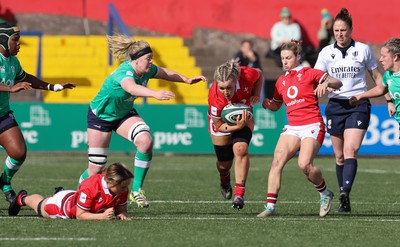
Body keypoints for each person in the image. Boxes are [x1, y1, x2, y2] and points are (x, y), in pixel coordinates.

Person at [77, 34, 206, 208]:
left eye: (151, 58)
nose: (151, 62)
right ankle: (76, 195)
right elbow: (131, 87)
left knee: (145, 141)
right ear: (136, 60)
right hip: (101, 116)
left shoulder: (145, 69)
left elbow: (165, 72)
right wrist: (155, 94)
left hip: (123, 114)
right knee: (96, 169)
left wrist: (187, 80)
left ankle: (136, 190)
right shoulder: (124, 73)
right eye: (148, 59)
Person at [257, 40, 342, 218]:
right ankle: (270, 207)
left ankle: (324, 193)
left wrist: (326, 83)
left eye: (288, 58)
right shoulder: (281, 81)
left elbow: (337, 82)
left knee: (304, 164)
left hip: (312, 124)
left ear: (297, 57)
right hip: (293, 126)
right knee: (276, 162)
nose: (284, 61)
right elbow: (276, 105)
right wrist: (268, 104)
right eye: (282, 58)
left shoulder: (310, 73)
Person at [314, 8, 383, 213]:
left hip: (357, 104)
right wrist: (322, 84)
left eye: (343, 30)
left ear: (351, 30)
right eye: (336, 30)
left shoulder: (363, 49)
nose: (340, 34)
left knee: (350, 150)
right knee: (339, 156)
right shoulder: (326, 52)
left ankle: (344, 193)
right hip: (335, 105)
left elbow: (377, 78)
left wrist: (388, 99)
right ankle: (345, 200)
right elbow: (317, 77)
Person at [0, 22, 75, 206]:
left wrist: (52, 86)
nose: (19, 44)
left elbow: (25, 77)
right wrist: (10, 88)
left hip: (2, 115)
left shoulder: (12, 62)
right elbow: (14, 85)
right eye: (15, 40)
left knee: (18, 152)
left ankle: (5, 182)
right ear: (3, 40)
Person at [207, 59, 263, 210]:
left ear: (236, 80)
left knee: (240, 149)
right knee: (224, 165)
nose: (226, 92)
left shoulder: (246, 75)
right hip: (221, 123)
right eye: (222, 87)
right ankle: (224, 179)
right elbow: (218, 125)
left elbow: (259, 74)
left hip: (244, 115)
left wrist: (256, 94)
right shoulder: (215, 97)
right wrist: (235, 126)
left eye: (229, 87)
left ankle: (239, 195)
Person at [9, 162, 134, 220]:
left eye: (126, 186)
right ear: (111, 182)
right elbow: (80, 215)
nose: (125, 189)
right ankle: (22, 198)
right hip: (63, 207)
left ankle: (59, 192)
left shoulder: (121, 190)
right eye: (123, 186)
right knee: (40, 206)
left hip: (75, 197)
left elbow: (121, 209)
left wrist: (122, 214)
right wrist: (101, 216)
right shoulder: (90, 187)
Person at [349, 38, 400, 127]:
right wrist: (360, 96)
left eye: (384, 56)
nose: (380, 59)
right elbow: (381, 89)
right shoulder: (388, 75)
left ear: (395, 57)